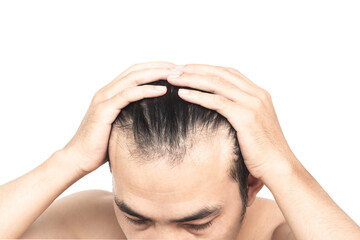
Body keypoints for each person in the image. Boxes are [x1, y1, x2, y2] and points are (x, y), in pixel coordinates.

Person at [0, 61, 359, 239]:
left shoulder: (280, 231)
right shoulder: (89, 223)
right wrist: (68, 160)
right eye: (137, 219)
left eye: (196, 224)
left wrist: (283, 166)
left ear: (251, 185)